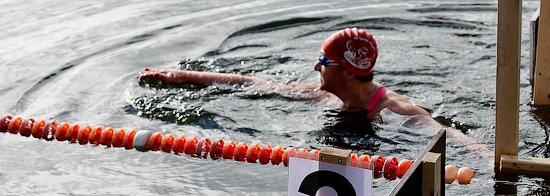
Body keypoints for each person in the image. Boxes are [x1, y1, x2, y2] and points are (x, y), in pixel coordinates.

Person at [140, 27, 492, 160]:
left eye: (322, 61)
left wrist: (489, 159)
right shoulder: (330, 96)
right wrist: (184, 76)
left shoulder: (391, 110)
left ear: (342, 69)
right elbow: (256, 85)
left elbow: (447, 134)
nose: (315, 67)